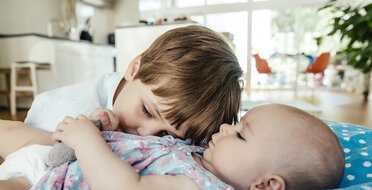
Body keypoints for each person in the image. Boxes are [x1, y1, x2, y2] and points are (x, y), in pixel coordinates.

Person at [0, 104, 345, 190]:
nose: (225, 128)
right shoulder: (200, 156)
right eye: (235, 123)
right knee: (12, 131)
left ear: (265, 186)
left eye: (240, 135)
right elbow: (141, 151)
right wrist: (105, 126)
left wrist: (88, 141)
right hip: (58, 158)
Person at [24, 25, 243, 145]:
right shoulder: (63, 109)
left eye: (168, 135)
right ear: (134, 69)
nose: (147, 134)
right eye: (147, 111)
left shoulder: (150, 96)